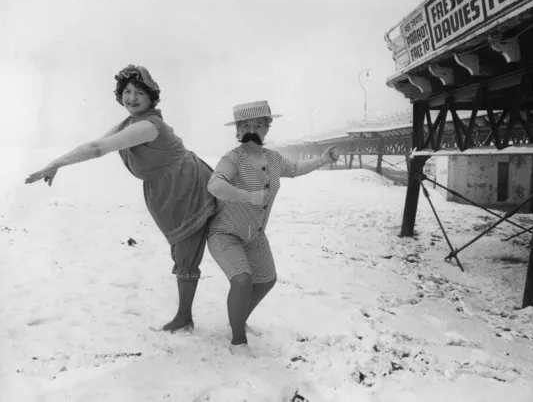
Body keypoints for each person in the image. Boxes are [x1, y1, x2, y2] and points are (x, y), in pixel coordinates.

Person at [25, 65, 216, 333]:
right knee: (183, 250)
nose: (132, 97)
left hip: (188, 186)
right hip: (166, 190)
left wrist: (56, 162)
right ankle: (186, 315)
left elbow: (98, 149)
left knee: (188, 252)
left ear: (151, 97)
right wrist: (59, 163)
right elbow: (93, 144)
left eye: (139, 92)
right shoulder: (129, 123)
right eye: (126, 91)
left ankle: (184, 317)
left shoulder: (149, 126)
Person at [207, 100, 339, 357]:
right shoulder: (232, 159)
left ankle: (238, 317)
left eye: (258, 124)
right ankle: (237, 340)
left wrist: (324, 158)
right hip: (225, 234)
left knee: (266, 280)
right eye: (246, 124)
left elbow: (296, 168)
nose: (252, 129)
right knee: (243, 280)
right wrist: (248, 196)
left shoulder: (273, 159)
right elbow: (214, 185)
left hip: (254, 235)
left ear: (267, 127)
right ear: (237, 129)